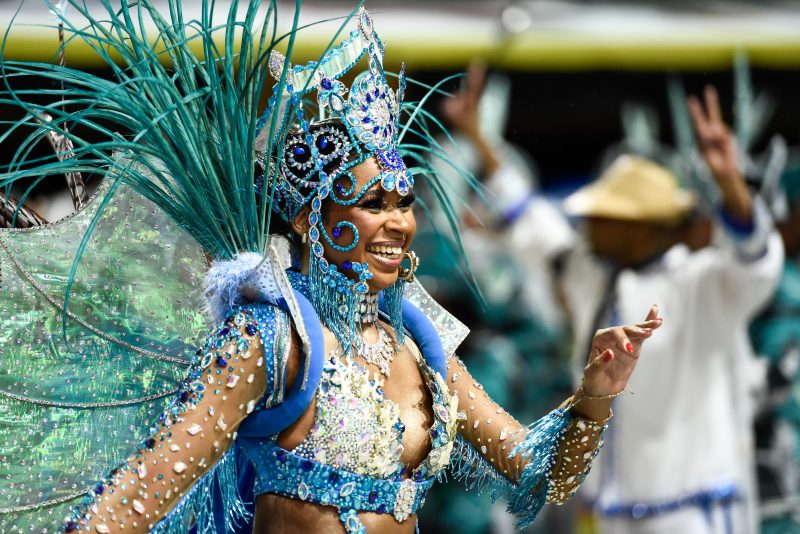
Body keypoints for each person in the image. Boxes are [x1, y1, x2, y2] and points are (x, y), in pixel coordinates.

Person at [0, 3, 662, 533]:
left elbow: (539, 473)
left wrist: (595, 397)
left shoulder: (421, 345)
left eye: (404, 202)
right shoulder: (271, 338)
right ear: (309, 221)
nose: (398, 221)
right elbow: (143, 492)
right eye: (372, 203)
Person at [561, 87, 784, 533]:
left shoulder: (700, 281)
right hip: (614, 511)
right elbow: (534, 233)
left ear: (637, 228)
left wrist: (730, 186)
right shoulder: (600, 282)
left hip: (692, 512)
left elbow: (755, 263)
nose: (589, 228)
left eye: (604, 218)